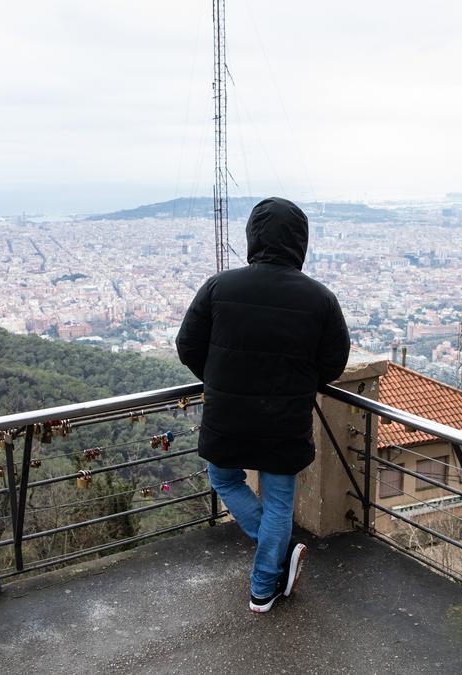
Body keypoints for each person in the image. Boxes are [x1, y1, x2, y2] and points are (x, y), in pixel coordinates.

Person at [176, 197, 351, 613]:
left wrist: (221, 379)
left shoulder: (221, 286)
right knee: (277, 502)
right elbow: (334, 363)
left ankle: (279, 553)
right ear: (300, 242)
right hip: (285, 419)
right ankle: (263, 588)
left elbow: (187, 346)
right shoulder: (320, 299)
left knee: (224, 478)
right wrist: (298, 383)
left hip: (227, 416)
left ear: (253, 236)